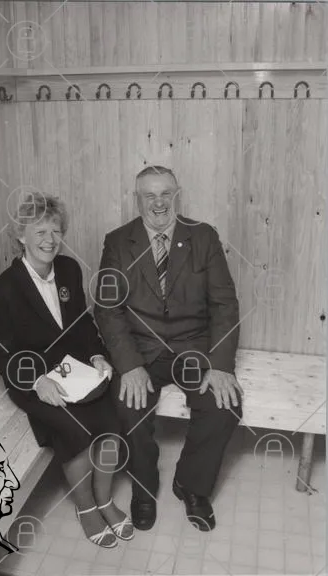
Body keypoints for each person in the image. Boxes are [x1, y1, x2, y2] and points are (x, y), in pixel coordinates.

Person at [94, 166, 243, 532]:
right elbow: (108, 309)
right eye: (149, 195)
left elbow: (224, 304)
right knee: (128, 406)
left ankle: (191, 485)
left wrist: (220, 366)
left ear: (177, 195)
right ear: (137, 199)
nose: (158, 203)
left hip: (193, 349)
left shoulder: (203, 236)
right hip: (141, 350)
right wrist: (129, 364)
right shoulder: (118, 242)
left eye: (165, 194)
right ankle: (144, 489)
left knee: (224, 405)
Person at [0, 193, 133, 548]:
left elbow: (82, 323)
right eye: (40, 232)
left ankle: (104, 500)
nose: (49, 240)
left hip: (75, 370)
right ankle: (86, 508)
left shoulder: (69, 269)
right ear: (20, 235)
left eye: (55, 231)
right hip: (34, 378)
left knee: (111, 421)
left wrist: (96, 355)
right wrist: (37, 381)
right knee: (74, 430)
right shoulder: (4, 288)